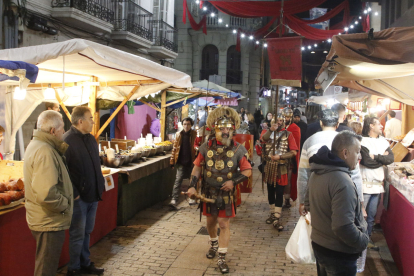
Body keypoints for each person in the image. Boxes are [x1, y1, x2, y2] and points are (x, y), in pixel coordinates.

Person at [187, 107, 252, 274]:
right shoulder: (205, 147)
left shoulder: (238, 149)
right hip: (208, 192)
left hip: (226, 194)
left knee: (223, 224)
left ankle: (222, 258)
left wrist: (233, 181)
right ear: (215, 128)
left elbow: (247, 171)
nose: (225, 132)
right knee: (210, 223)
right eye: (222, 128)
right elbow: (196, 169)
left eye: (229, 128)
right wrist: (192, 186)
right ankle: (213, 243)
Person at [305, 131, 369, 276]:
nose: (359, 157)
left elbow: (307, 203)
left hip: (320, 245)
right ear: (345, 153)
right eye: (357, 152)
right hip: (338, 254)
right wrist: (363, 241)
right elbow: (343, 226)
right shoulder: (342, 182)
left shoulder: (317, 172)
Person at [24, 110, 73, 276]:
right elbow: (46, 193)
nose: (64, 132)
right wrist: (64, 205)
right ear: (53, 131)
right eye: (62, 129)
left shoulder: (39, 145)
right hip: (48, 221)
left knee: (46, 264)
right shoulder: (45, 151)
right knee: (46, 267)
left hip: (46, 218)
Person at [297, 109, 364, 217]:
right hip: (344, 192)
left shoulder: (309, 141)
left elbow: (303, 175)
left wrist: (302, 201)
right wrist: (360, 203)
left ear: (321, 123)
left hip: (316, 193)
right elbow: (355, 175)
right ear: (337, 124)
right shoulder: (347, 141)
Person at [64, 106, 105, 276]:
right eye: (90, 119)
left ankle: (85, 263)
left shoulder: (90, 139)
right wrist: (75, 192)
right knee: (77, 234)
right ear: (80, 121)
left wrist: (99, 184)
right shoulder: (66, 140)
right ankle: (73, 268)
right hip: (79, 198)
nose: (93, 122)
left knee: (87, 232)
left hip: (93, 194)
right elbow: (63, 171)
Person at [359, 117, 394, 249]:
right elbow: (367, 162)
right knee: (362, 214)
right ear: (371, 126)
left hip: (378, 184)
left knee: (372, 215)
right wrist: (382, 158)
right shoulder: (362, 141)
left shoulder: (383, 141)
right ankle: (360, 239)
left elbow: (390, 158)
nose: (381, 126)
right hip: (365, 182)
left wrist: (377, 156)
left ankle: (367, 239)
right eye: (378, 124)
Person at [260, 113, 298, 230]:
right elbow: (264, 140)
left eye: (281, 120)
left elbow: (293, 152)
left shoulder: (288, 134)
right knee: (270, 190)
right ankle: (272, 213)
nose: (280, 122)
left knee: (280, 191)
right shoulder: (266, 132)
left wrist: (280, 157)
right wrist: (271, 130)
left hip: (281, 167)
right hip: (269, 166)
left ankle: (277, 216)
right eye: (278, 120)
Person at [169, 117, 197, 208]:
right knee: (178, 181)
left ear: (191, 125)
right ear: (182, 124)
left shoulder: (195, 134)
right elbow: (175, 149)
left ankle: (192, 198)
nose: (186, 126)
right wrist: (172, 161)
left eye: (188, 124)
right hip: (181, 162)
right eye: (184, 124)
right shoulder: (179, 134)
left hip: (192, 162)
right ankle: (174, 199)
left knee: (192, 182)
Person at [281, 108, 301, 208]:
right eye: (285, 117)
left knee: (288, 180)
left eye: (288, 117)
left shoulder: (295, 128)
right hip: (278, 157)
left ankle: (287, 199)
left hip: (289, 158)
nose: (286, 119)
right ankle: (279, 197)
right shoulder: (279, 127)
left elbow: (295, 145)